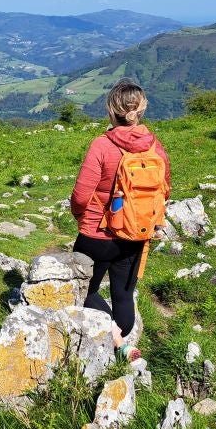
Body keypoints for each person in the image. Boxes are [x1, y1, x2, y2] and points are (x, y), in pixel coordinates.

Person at [69, 79, 171, 362]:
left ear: (111, 111)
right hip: (135, 236)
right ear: (141, 109)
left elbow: (80, 196)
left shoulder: (102, 145)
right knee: (124, 297)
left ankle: (112, 337)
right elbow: (165, 191)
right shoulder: (155, 148)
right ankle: (122, 336)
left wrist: (83, 219)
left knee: (81, 291)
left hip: (96, 236)